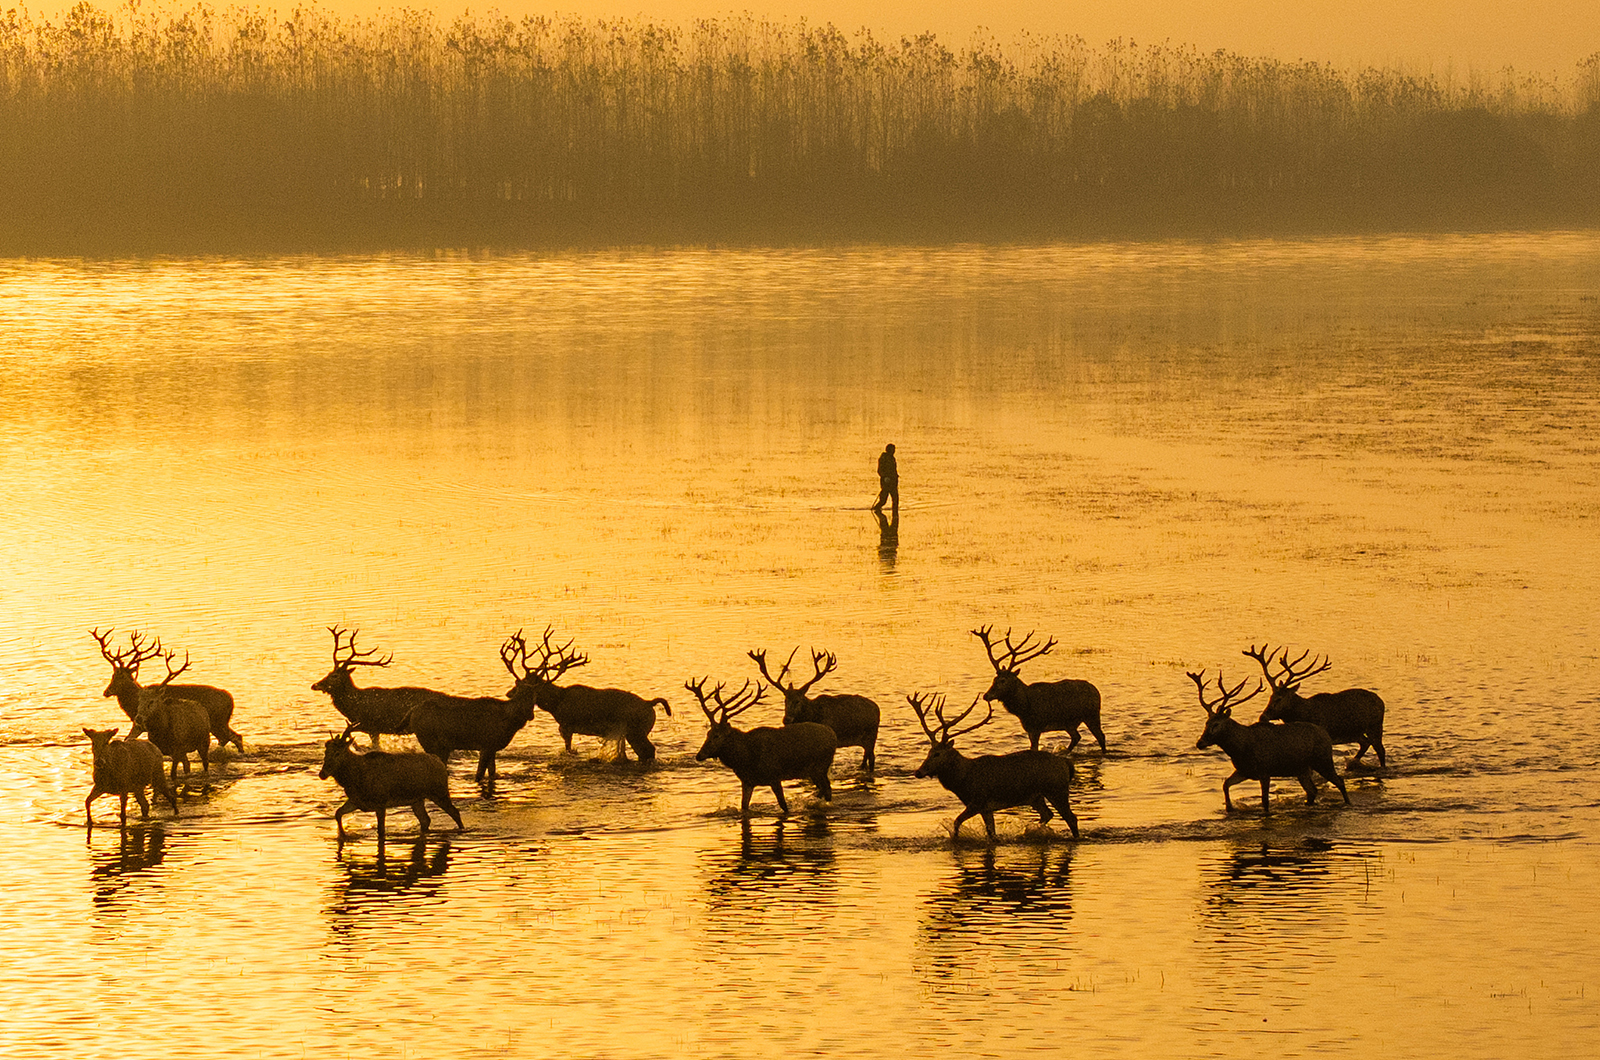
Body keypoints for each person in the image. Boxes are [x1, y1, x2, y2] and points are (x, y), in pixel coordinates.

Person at [871, 443, 898, 514]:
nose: (894, 451)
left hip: (893, 482)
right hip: (886, 482)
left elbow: (894, 470)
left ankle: (895, 516)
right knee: (883, 500)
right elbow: (880, 470)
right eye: (893, 449)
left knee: (895, 500)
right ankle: (876, 510)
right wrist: (885, 477)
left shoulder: (892, 458)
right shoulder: (883, 458)